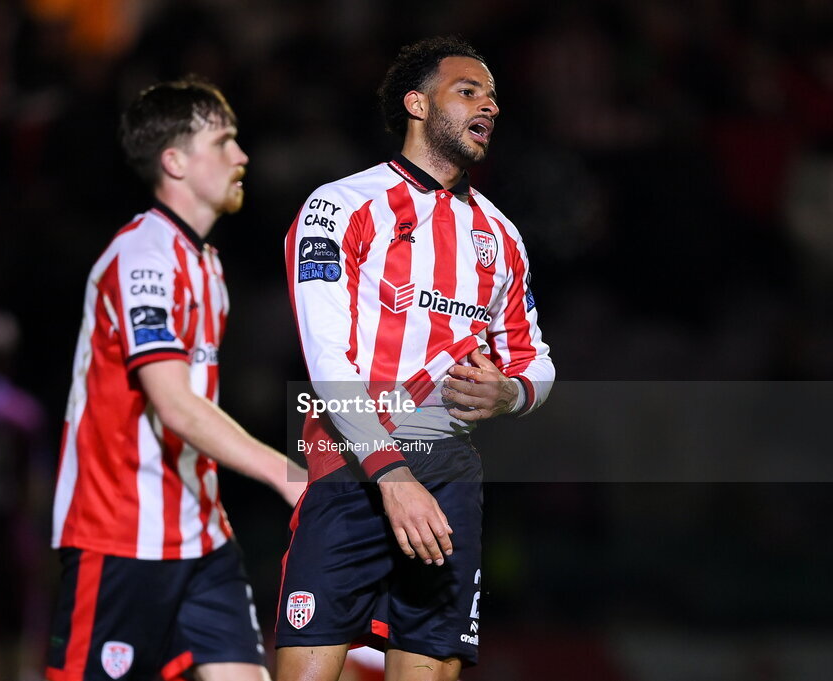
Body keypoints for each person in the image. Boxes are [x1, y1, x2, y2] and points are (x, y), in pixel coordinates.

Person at [276, 36, 555, 681]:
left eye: (492, 96)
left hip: (449, 474)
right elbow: (326, 359)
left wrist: (508, 394)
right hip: (348, 466)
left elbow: (536, 362)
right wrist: (391, 475)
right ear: (416, 103)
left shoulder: (501, 237)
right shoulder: (340, 206)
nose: (488, 105)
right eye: (468, 91)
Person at [46, 78, 305, 681]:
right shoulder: (143, 258)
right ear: (175, 161)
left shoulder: (207, 264)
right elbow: (174, 405)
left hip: (202, 538)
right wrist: (287, 474)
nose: (242, 157)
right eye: (225, 142)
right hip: (120, 538)